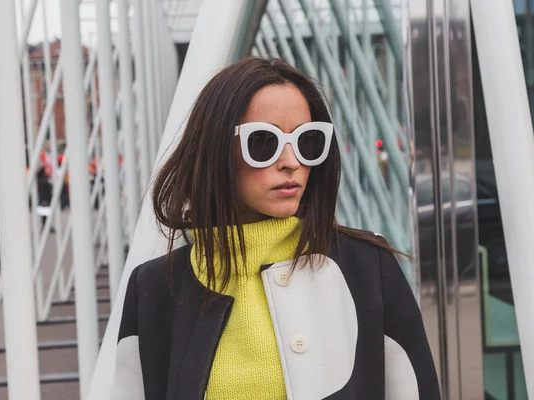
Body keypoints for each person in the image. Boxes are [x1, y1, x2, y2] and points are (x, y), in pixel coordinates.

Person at [112, 58, 440, 399]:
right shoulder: (156, 287)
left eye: (308, 141)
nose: (291, 161)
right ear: (215, 150)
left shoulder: (368, 268)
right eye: (264, 143)